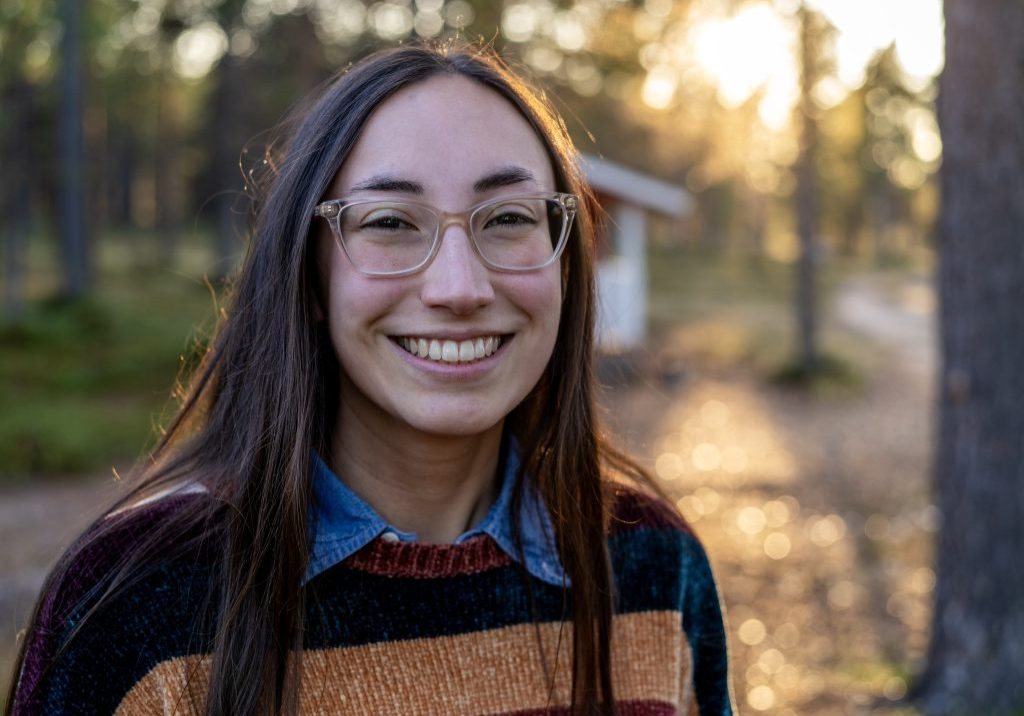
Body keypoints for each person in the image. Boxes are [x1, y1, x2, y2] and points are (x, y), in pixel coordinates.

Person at [5, 44, 734, 716]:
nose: (459, 286)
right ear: (312, 278)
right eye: (390, 221)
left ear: (565, 264)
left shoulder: (653, 568)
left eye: (508, 217)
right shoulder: (136, 606)